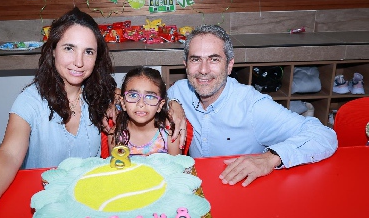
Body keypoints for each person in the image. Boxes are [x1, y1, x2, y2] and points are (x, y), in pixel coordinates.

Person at [0, 7, 117, 218]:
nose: (79, 62)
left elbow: (142, 96)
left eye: (88, 51)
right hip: (39, 205)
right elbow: (9, 154)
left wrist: (174, 104)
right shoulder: (30, 101)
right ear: (53, 51)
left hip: (88, 204)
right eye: (69, 48)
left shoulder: (100, 94)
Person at [167, 24, 338, 187]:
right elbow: (160, 98)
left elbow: (324, 135)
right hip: (199, 187)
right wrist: (173, 104)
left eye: (214, 59)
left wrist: (270, 158)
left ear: (229, 66)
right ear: (186, 66)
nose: (203, 70)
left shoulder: (253, 107)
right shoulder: (181, 91)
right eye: (196, 59)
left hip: (242, 191)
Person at [109, 67, 182, 156]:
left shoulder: (170, 134)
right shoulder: (116, 134)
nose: (141, 103)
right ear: (123, 103)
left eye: (150, 97)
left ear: (160, 105)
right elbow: (115, 168)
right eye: (133, 95)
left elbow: (177, 168)